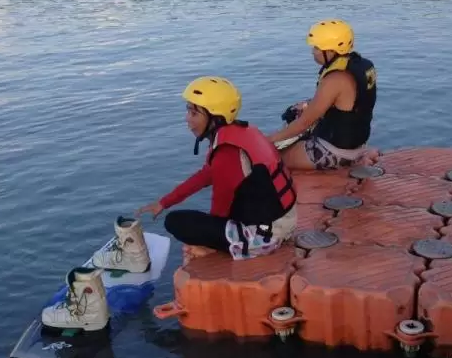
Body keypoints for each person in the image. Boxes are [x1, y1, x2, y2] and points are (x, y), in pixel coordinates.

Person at [137, 76, 298, 260]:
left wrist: (209, 241)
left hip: (264, 237)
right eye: (188, 111)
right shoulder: (243, 132)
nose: (187, 119)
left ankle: (230, 247)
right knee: (191, 218)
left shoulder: (226, 153)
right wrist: (164, 202)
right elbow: (206, 175)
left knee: (175, 222)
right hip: (283, 220)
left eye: (194, 113)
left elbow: (221, 207)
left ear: (214, 118)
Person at [267, 19, 378, 171]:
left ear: (332, 50)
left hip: (337, 151)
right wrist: (307, 106)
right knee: (298, 110)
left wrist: (268, 140)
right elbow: (350, 103)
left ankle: (349, 161)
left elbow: (304, 123)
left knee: (272, 156)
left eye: (317, 48)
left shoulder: (335, 78)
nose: (313, 51)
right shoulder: (362, 65)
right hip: (357, 139)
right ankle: (359, 154)